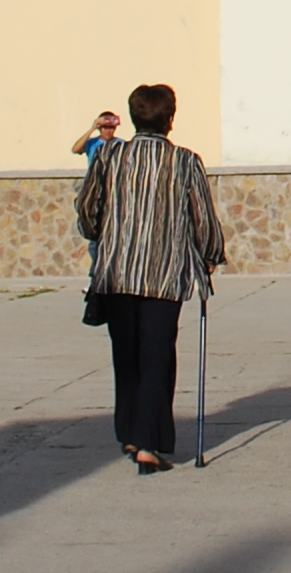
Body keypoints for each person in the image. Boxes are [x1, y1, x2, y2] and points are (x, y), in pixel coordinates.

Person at [77, 82, 223, 474]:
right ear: (169, 119)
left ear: (134, 115)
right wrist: (210, 254)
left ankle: (129, 431)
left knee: (126, 355)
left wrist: (99, 234)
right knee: (157, 354)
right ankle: (148, 442)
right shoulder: (186, 161)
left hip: (117, 272)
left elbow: (88, 205)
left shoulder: (110, 156)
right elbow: (202, 215)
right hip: (164, 274)